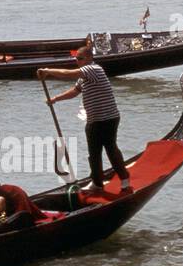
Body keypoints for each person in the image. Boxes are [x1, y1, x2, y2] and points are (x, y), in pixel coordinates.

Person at [38, 39, 133, 196]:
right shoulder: (83, 76)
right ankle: (97, 183)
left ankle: (125, 181)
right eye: (76, 58)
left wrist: (48, 71)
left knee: (110, 148)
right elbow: (75, 91)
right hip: (94, 119)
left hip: (108, 118)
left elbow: (69, 74)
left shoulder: (94, 69)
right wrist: (55, 99)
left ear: (89, 58)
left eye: (80, 58)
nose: (77, 61)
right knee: (93, 152)